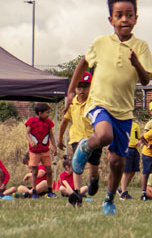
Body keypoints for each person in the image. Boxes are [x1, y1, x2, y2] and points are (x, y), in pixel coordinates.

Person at [66, 0, 152, 215]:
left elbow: (145, 80)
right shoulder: (100, 43)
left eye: (129, 14)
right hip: (99, 104)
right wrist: (69, 92)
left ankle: (109, 200)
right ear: (111, 19)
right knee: (104, 135)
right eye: (119, 15)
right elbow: (83, 65)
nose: (125, 19)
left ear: (136, 18)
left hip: (124, 113)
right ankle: (85, 146)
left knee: (117, 163)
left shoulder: (141, 46)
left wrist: (136, 63)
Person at [58, 71, 101, 205]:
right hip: (77, 139)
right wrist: (59, 138)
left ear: (91, 87)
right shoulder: (71, 103)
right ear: (75, 88)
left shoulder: (94, 102)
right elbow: (65, 121)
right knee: (77, 164)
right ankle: (77, 193)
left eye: (85, 87)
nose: (82, 90)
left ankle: (94, 180)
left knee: (93, 169)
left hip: (94, 138)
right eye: (79, 87)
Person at [25, 102, 58, 199]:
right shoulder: (31, 121)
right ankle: (34, 191)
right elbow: (27, 133)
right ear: (40, 113)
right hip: (34, 151)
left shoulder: (48, 123)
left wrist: (54, 147)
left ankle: (50, 190)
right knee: (34, 171)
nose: (48, 114)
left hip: (45, 151)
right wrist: (31, 141)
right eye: (47, 113)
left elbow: (51, 135)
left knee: (49, 171)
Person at [118, 117, 142, 200]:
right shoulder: (122, 125)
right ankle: (124, 194)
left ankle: (121, 189)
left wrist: (139, 142)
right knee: (126, 171)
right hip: (126, 149)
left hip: (135, 150)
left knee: (133, 171)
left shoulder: (136, 126)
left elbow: (139, 138)